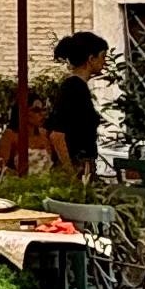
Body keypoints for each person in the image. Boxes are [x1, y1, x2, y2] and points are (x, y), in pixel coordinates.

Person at [43, 32, 110, 181]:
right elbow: (56, 134)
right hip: (77, 166)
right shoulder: (74, 88)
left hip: (82, 164)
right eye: (102, 56)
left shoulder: (77, 87)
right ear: (91, 59)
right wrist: (70, 172)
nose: (104, 62)